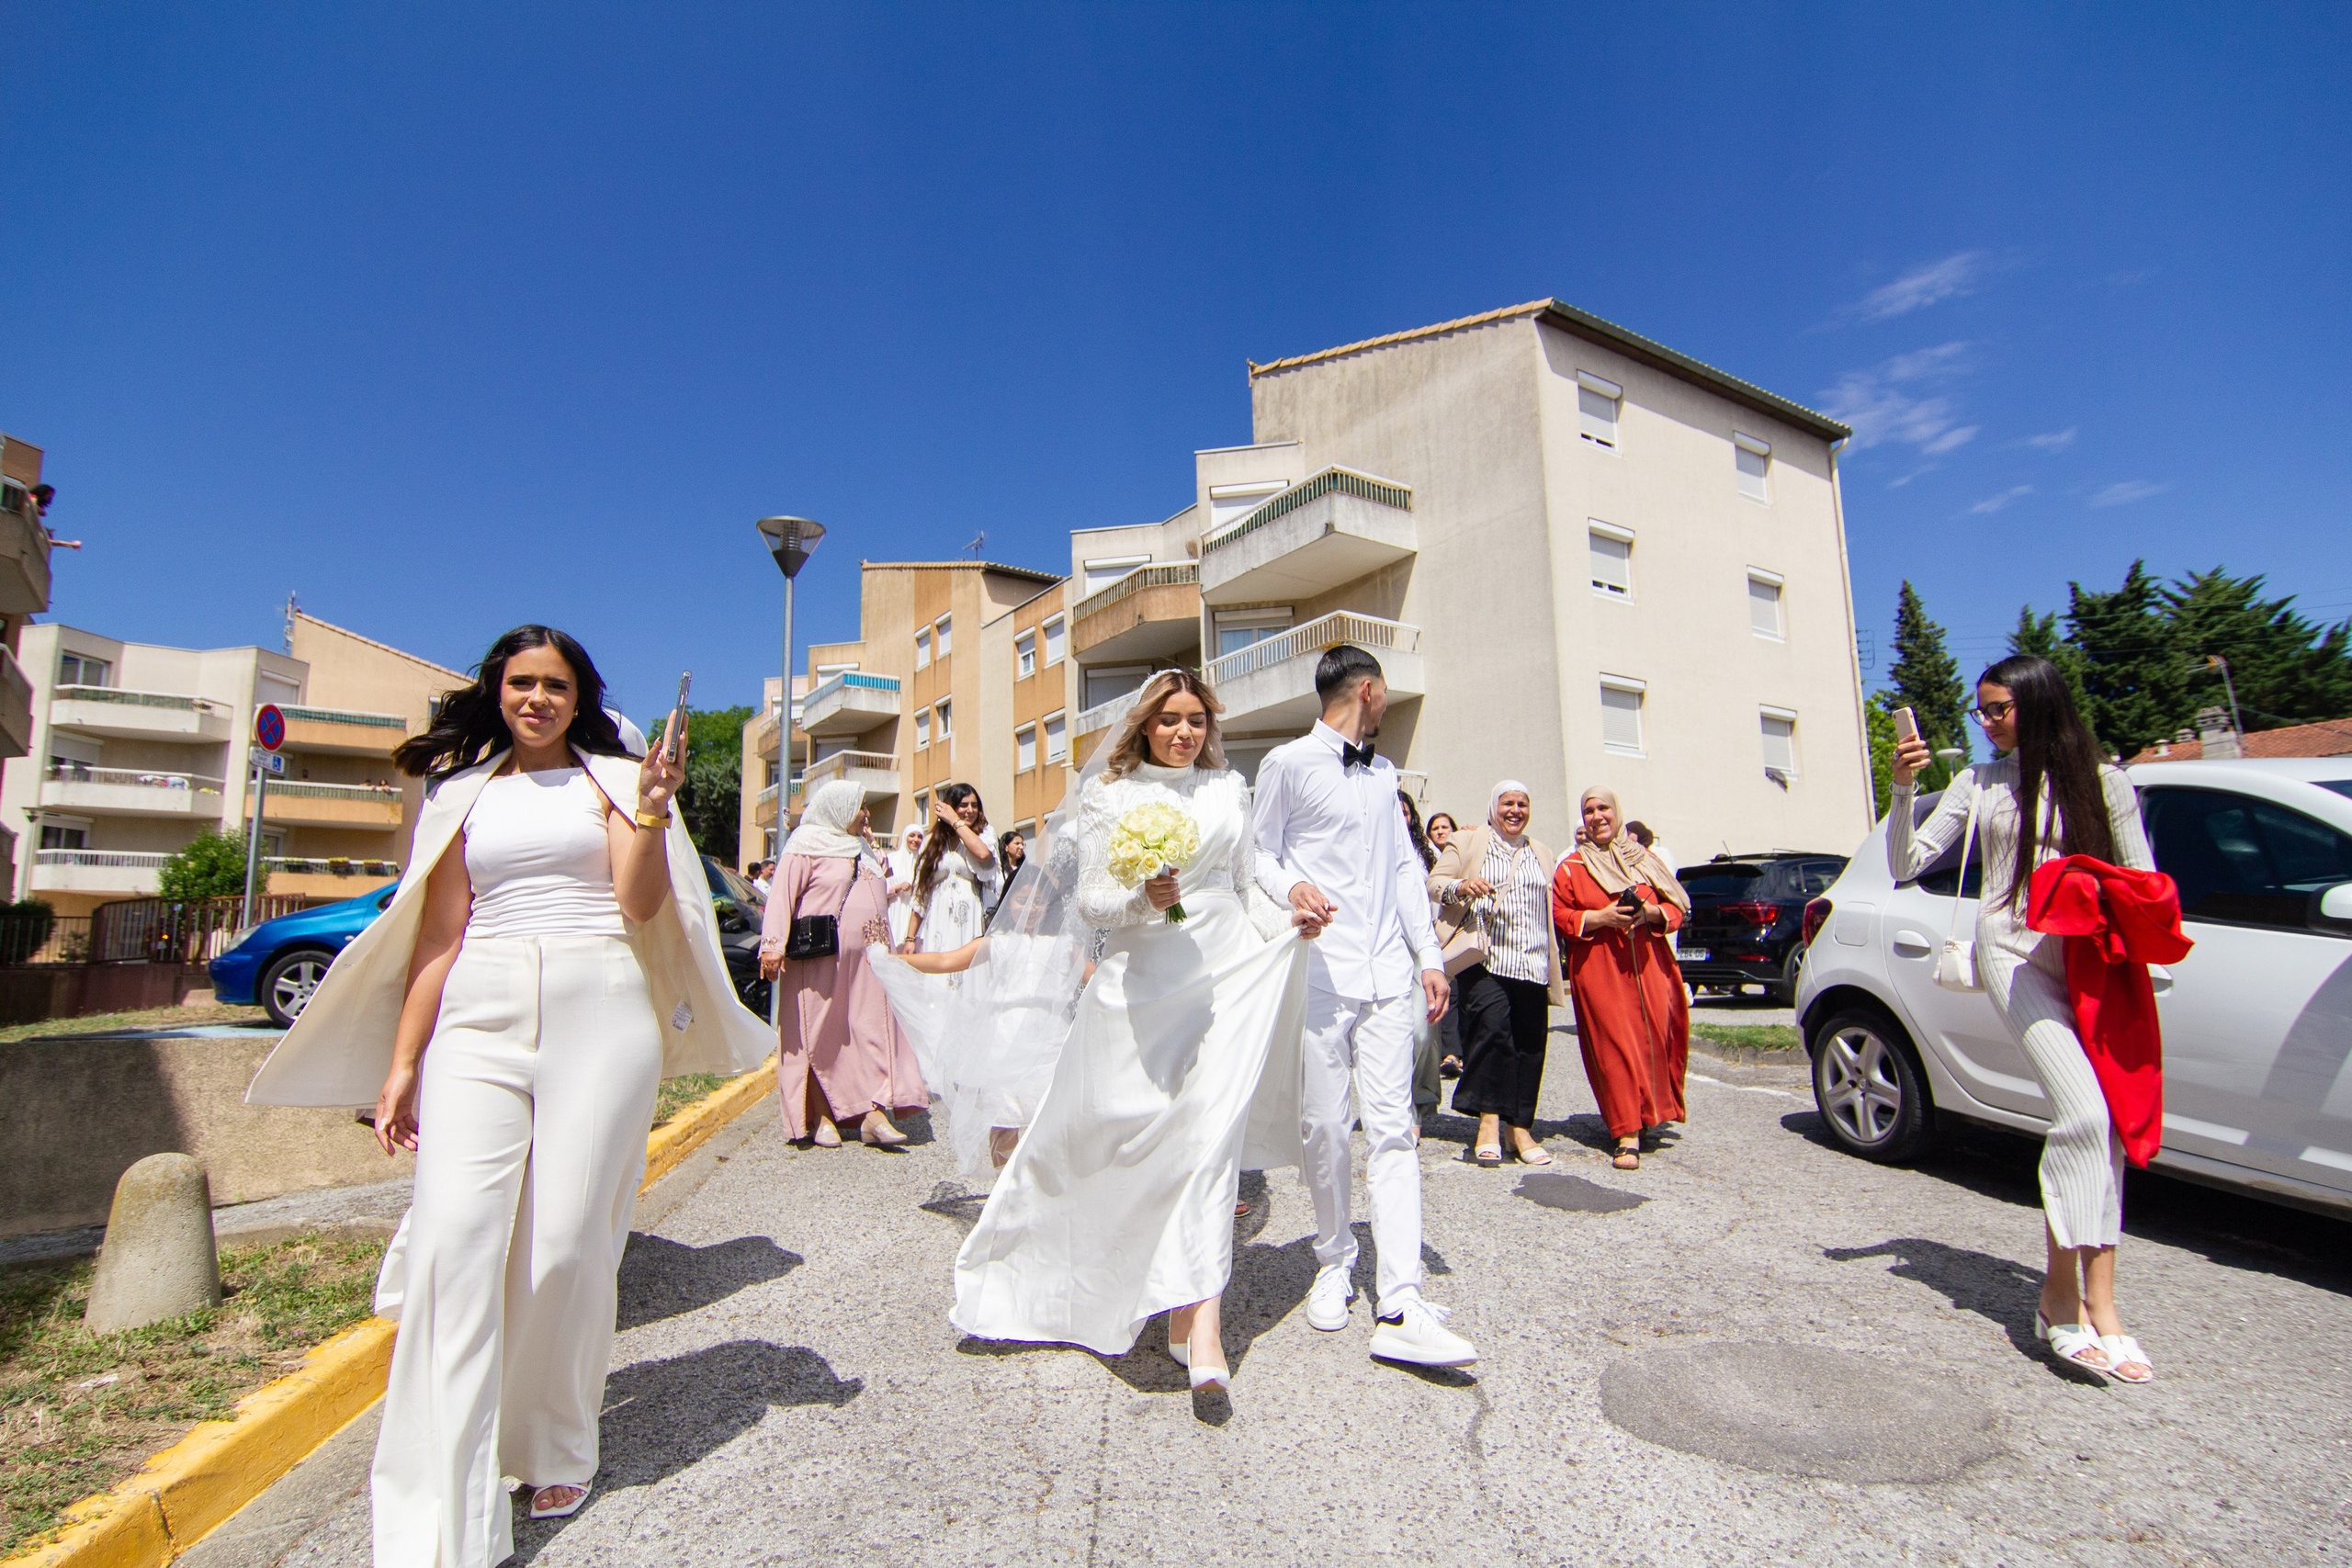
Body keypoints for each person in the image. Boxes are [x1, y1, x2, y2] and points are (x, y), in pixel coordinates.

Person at [243, 626, 771, 1565]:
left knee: (566, 1246)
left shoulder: (615, 783)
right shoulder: (455, 797)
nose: (537, 698)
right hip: (476, 1020)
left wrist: (651, 811)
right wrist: (402, 1063)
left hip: (599, 1014)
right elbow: (439, 933)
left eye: (555, 684)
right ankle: (437, 1500)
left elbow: (639, 906)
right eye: (521, 682)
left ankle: (551, 1440)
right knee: (454, 1245)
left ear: (580, 697)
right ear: (497, 692)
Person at [951, 671, 1320, 1392]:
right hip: (1141, 983)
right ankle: (1077, 1281)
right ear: (1144, 725)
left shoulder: (1227, 790)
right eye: (1170, 719)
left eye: (1196, 720)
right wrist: (1144, 895)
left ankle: (1202, 1320)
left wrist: (1291, 924)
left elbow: (1244, 891)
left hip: (1225, 976)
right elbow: (1092, 901)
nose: (1185, 733)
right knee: (1112, 1142)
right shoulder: (1109, 795)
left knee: (1208, 1140)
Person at [1889, 655, 2158, 1384]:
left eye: (1997, 709)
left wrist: (2151, 960)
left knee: (2104, 1127)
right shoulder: (1979, 782)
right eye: (1980, 711)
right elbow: (1908, 860)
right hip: (2011, 953)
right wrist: (1905, 784)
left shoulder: (2106, 783)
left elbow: (2141, 877)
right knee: (2083, 1116)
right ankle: (2059, 1298)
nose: (1984, 722)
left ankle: (2099, 1303)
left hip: (2091, 963)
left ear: (2037, 705)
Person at [1253, 646, 1477, 1369]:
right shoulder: (1287, 763)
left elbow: (1409, 870)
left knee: (1393, 1130)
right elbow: (1258, 854)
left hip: (1387, 976)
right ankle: (1333, 1256)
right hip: (1319, 970)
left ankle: (1403, 1298)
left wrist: (1429, 957)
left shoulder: (1385, 776)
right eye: (1388, 695)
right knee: (1324, 1124)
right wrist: (1291, 890)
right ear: (1370, 691)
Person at [759, 780, 928, 1150]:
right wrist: (772, 946)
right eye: (860, 806)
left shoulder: (861, 848)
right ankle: (821, 1116)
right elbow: (782, 896)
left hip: (868, 963)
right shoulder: (805, 844)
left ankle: (872, 1114)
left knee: (869, 1033)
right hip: (820, 958)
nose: (866, 813)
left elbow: (868, 891)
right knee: (820, 1034)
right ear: (838, 807)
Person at [1554, 786, 1690, 1171]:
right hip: (1600, 970)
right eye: (1588, 810)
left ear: (1617, 812)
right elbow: (1561, 915)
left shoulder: (1644, 859)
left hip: (1650, 966)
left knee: (1653, 1041)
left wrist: (1649, 913)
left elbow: (1676, 907)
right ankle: (1626, 1132)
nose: (1597, 816)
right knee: (1613, 1047)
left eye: (1604, 808)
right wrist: (1601, 918)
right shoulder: (1573, 866)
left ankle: (1647, 1113)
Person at [1432, 782, 1567, 1168]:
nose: (1515, 810)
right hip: (1487, 959)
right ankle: (1488, 1124)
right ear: (1494, 806)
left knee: (1529, 1044)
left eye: (1522, 803)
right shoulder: (1469, 842)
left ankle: (1520, 1127)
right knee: (1492, 1034)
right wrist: (1462, 886)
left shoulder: (1541, 851)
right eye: (1507, 803)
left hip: (1533, 962)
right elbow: (1434, 883)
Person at [904, 784, 999, 954]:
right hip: (938, 916)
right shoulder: (932, 842)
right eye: (964, 805)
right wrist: (910, 938)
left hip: (971, 916)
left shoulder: (985, 835)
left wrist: (956, 821)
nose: (970, 810)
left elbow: (983, 855)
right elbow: (921, 893)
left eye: (974, 805)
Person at [1397, 792, 1444, 1118]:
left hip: (1424, 948)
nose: (1400, 819)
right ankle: (1405, 1105)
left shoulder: (1428, 853)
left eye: (1405, 813)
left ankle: (1425, 1090)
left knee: (1422, 1027)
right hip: (1390, 946)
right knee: (1398, 1031)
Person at [884, 825, 923, 947]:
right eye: (912, 835)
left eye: (919, 836)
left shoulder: (924, 861)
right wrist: (897, 887)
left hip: (913, 912)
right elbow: (881, 887)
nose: (915, 840)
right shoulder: (891, 859)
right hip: (895, 909)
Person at [992, 828, 1028, 914]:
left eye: (1022, 844)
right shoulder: (997, 868)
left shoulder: (1024, 871)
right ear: (1006, 847)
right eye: (1017, 844)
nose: (1021, 847)